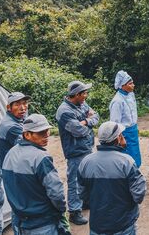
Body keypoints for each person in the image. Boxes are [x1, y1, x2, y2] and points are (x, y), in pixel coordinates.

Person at [2, 114, 68, 235]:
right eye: (40, 133)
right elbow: (56, 193)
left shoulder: (10, 153)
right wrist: (62, 210)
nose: (46, 136)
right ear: (27, 135)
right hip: (42, 223)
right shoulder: (41, 158)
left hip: (19, 221)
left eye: (47, 131)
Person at [78, 121, 147, 235]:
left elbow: (82, 194)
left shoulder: (85, 162)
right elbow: (139, 195)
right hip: (123, 225)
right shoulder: (127, 162)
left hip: (97, 225)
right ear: (118, 138)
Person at [55, 80, 100, 226]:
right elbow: (78, 131)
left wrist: (86, 122)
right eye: (84, 93)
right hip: (75, 151)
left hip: (86, 147)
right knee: (74, 181)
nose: (86, 95)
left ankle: (85, 202)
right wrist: (88, 125)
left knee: (86, 177)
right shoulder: (64, 111)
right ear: (76, 95)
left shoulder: (81, 104)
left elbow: (96, 117)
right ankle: (74, 211)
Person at [110, 70, 141, 167]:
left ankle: (135, 173)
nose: (133, 85)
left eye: (132, 83)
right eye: (130, 84)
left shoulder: (131, 94)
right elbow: (115, 123)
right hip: (124, 133)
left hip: (133, 130)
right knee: (127, 157)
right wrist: (121, 138)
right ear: (122, 85)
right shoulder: (117, 101)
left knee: (135, 154)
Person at [0, 92, 30, 163]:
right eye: (17, 104)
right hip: (13, 168)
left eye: (24, 103)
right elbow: (29, 146)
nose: (23, 108)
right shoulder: (11, 127)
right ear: (9, 108)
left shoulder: (18, 117)